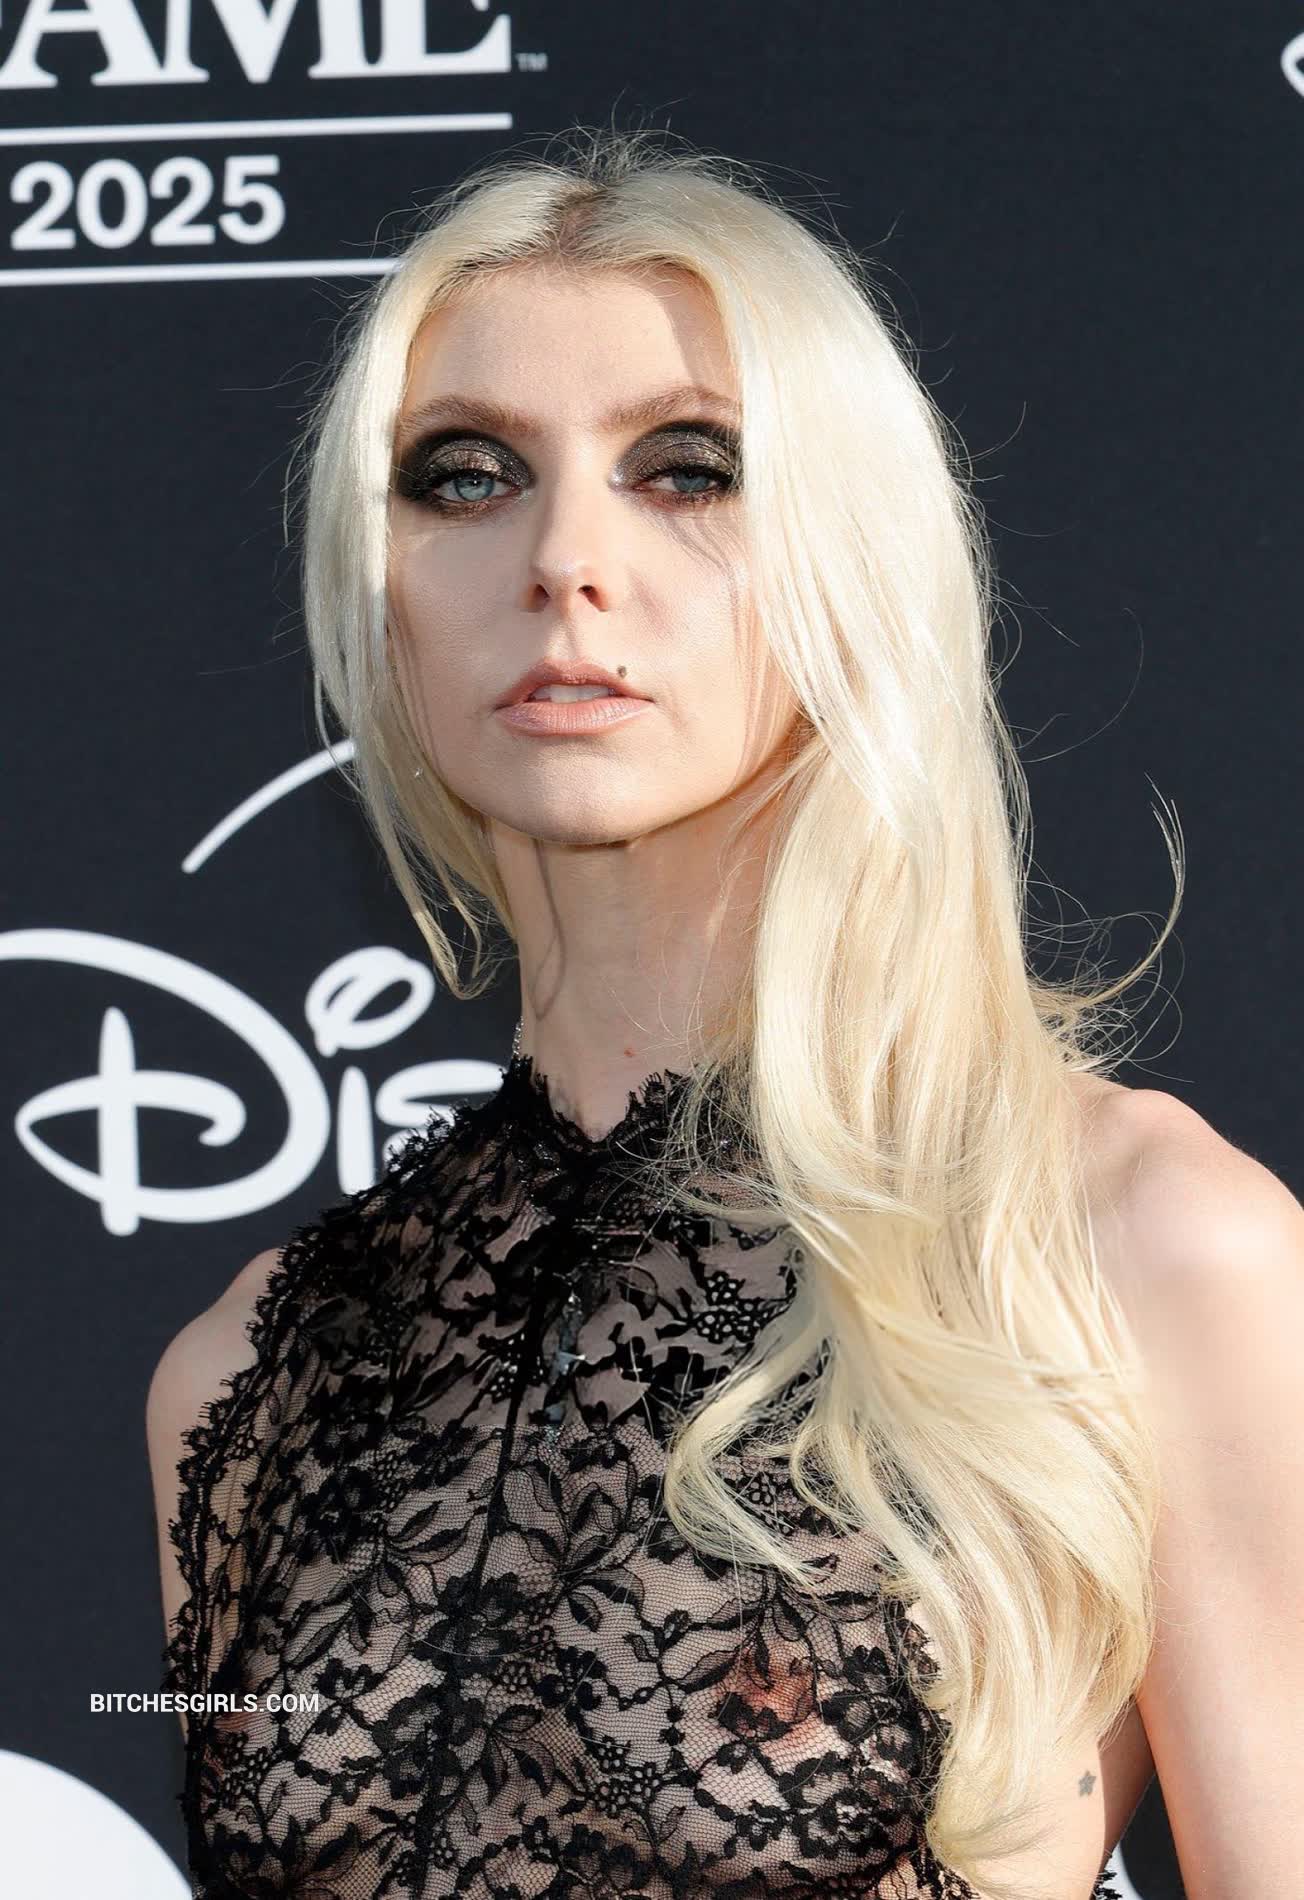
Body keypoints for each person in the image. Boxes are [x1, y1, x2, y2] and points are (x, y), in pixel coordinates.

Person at [146, 127, 1303, 1900]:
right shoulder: (243, 1373)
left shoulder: (1132, 1246)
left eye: (687, 469)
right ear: (376, 592)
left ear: (851, 554)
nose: (565, 560)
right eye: (465, 476)